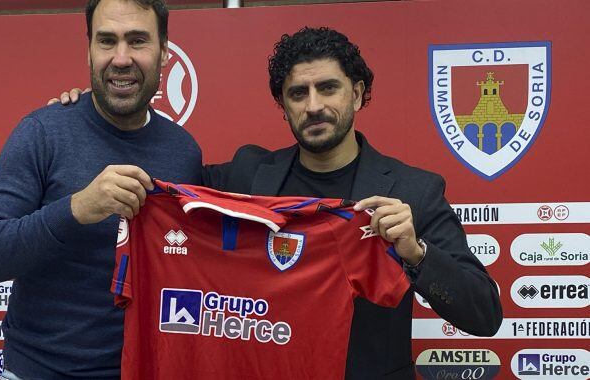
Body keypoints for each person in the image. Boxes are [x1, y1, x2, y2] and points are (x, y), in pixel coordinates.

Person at [53, 26, 502, 379]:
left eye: (328, 88)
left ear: (359, 93)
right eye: (297, 93)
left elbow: (483, 314)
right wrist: (89, 115)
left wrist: (415, 253)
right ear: (282, 104)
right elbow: (156, 187)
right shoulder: (249, 174)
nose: (313, 106)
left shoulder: (412, 190)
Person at [0, 0, 202, 378]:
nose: (121, 58)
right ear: (89, 51)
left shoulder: (184, 152)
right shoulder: (43, 133)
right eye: (107, 41)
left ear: (164, 52)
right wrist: (75, 209)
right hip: (39, 371)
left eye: (137, 41)